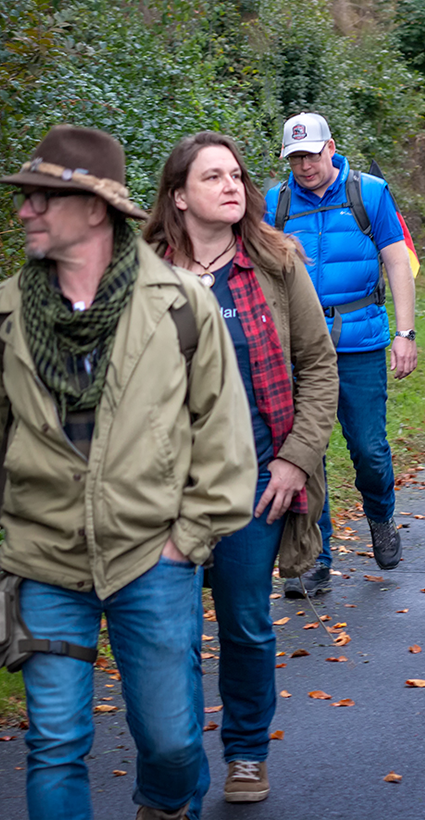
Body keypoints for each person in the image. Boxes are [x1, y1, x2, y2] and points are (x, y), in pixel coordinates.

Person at [0, 125, 256, 820]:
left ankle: (162, 805)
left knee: (173, 743)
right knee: (55, 742)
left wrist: (186, 539)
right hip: (42, 560)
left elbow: (225, 441)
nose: (25, 210)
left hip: (150, 557)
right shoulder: (3, 313)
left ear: (94, 208)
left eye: (42, 197)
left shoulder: (180, 305)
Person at [143, 131, 338, 806]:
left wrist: (294, 461)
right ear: (178, 196)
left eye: (237, 176)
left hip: (256, 482)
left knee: (245, 623)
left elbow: (317, 364)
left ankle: (247, 751)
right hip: (159, 490)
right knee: (170, 636)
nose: (232, 186)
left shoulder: (276, 262)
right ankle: (173, 765)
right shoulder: (137, 273)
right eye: (213, 177)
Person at [263, 112, 417, 595]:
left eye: (311, 154)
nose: (304, 166)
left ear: (331, 148)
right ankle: (315, 557)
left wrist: (406, 333)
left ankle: (380, 516)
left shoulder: (368, 193)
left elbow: (396, 260)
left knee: (369, 450)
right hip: (299, 350)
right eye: (295, 157)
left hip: (360, 341)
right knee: (307, 454)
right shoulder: (277, 202)